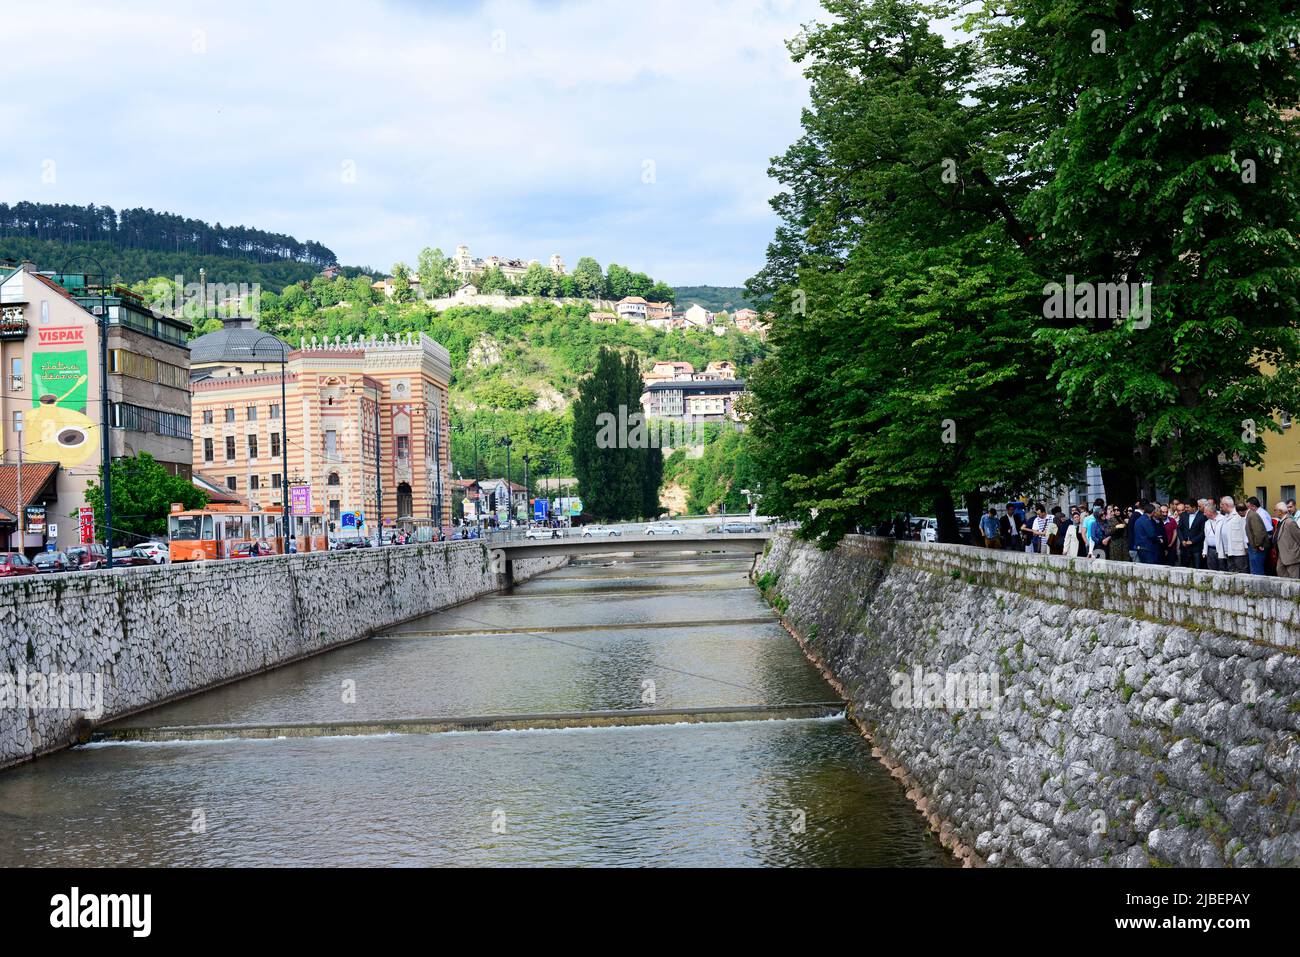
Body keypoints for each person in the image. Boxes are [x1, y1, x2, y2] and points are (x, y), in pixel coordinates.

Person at [1217, 496, 1249, 573]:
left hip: (1239, 551)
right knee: (1231, 571)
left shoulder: (1239, 515)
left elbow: (1245, 532)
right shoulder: (1225, 516)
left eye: (1222, 506)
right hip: (1228, 551)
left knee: (1242, 571)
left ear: (1226, 505)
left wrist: (1246, 547)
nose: (1220, 508)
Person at [1245, 497, 1271, 576]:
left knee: (1257, 570)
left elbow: (1265, 530)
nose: (1247, 510)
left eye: (1248, 507)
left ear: (1253, 506)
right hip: (1257, 544)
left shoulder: (1260, 514)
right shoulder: (1258, 513)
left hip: (1259, 546)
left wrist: (1259, 544)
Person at [1177, 500, 1206, 569]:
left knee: (1197, 568)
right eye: (1185, 507)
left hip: (1196, 548)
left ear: (1194, 507)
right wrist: (1182, 540)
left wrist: (1192, 541)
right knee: (1184, 568)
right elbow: (1179, 529)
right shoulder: (1183, 515)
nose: (1186, 509)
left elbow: (1203, 532)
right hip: (1184, 547)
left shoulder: (1202, 516)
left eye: (1187, 507)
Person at [1275, 502, 1300, 578]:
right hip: (1282, 555)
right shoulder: (1281, 521)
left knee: (1294, 579)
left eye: (1275, 510)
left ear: (1280, 512)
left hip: (1292, 556)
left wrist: (1294, 551)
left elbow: (1298, 537)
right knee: (1281, 573)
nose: (1274, 512)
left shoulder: (1290, 522)